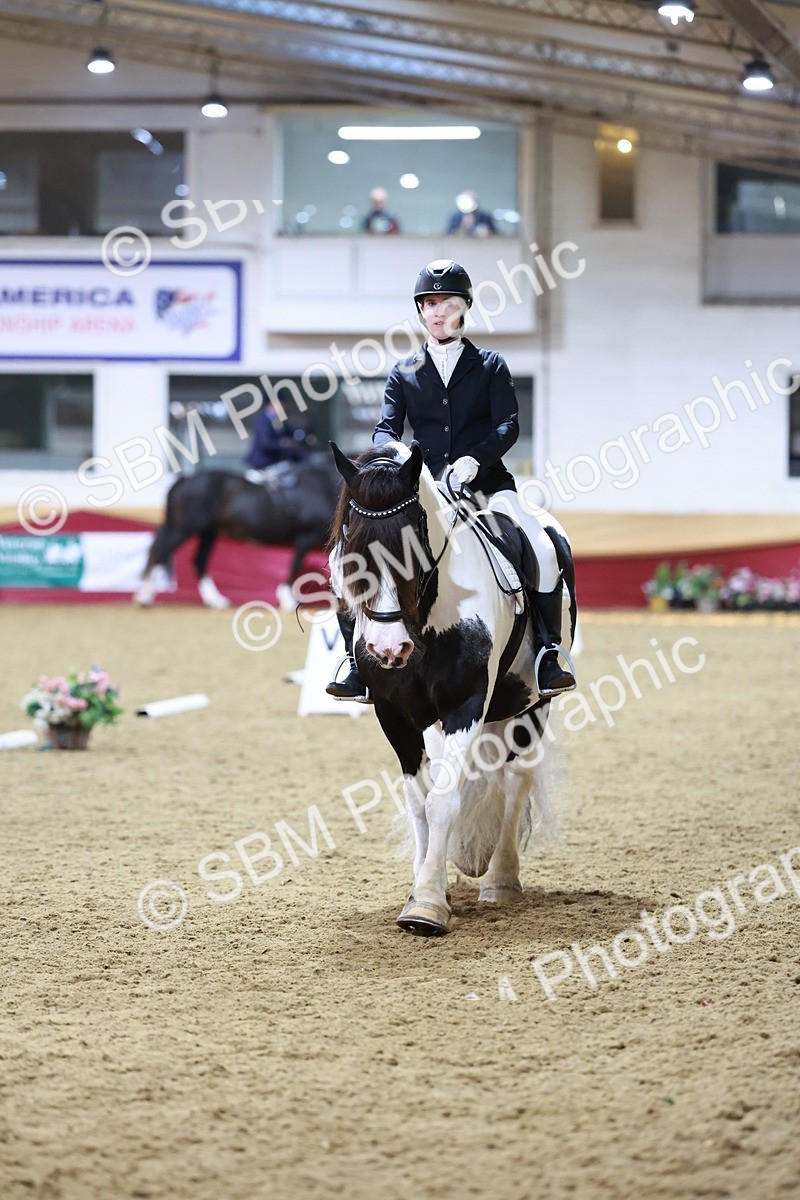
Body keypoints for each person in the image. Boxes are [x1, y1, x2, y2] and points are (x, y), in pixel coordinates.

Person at [327, 258, 576, 702]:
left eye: (446, 302)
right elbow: (386, 429)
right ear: (420, 311)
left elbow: (508, 425)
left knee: (541, 545)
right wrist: (399, 456)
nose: (436, 311)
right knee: (353, 558)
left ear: (465, 308)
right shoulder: (403, 373)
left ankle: (548, 653)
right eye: (428, 303)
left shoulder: (490, 365)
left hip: (487, 487)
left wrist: (474, 460)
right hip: (424, 492)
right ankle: (354, 658)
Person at [244, 401, 313, 482]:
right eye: (281, 404)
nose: (284, 407)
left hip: (276, 461)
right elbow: (266, 443)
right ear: (272, 404)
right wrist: (282, 444)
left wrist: (304, 437)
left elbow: (290, 432)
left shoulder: (277, 419)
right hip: (264, 463)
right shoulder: (262, 420)